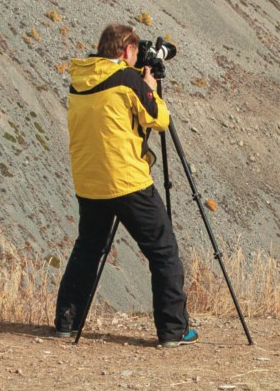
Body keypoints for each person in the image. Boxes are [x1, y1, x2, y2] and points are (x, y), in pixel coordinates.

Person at [53, 22, 197, 347]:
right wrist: (149, 84)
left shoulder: (80, 79)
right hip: (127, 181)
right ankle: (173, 330)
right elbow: (158, 120)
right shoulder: (127, 79)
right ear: (127, 51)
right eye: (134, 51)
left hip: (89, 182)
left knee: (88, 249)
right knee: (164, 252)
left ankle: (67, 322)